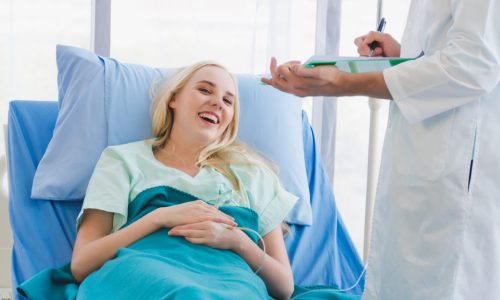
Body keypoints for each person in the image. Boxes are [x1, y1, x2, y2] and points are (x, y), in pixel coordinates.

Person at [261, 0, 500, 299]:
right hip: (428, 160)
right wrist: (403, 57)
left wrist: (347, 83)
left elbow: (474, 65)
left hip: (457, 176)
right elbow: (458, 49)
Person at [70, 61, 296, 299]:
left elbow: (284, 288)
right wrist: (159, 217)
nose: (218, 102)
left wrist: (238, 242)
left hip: (230, 282)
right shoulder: (122, 160)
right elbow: (82, 264)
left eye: (228, 101)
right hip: (145, 272)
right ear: (173, 99)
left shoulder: (253, 174)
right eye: (205, 90)